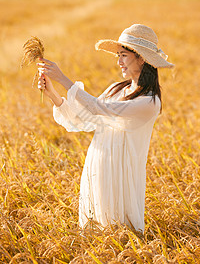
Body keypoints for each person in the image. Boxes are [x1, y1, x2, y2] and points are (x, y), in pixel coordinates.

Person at [37, 24, 174, 233]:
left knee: (122, 234)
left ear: (142, 58)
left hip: (122, 173)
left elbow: (98, 107)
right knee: (95, 233)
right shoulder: (116, 89)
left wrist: (63, 79)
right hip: (99, 166)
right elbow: (86, 118)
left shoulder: (149, 102)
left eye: (124, 55)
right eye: (118, 55)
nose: (119, 61)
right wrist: (53, 95)